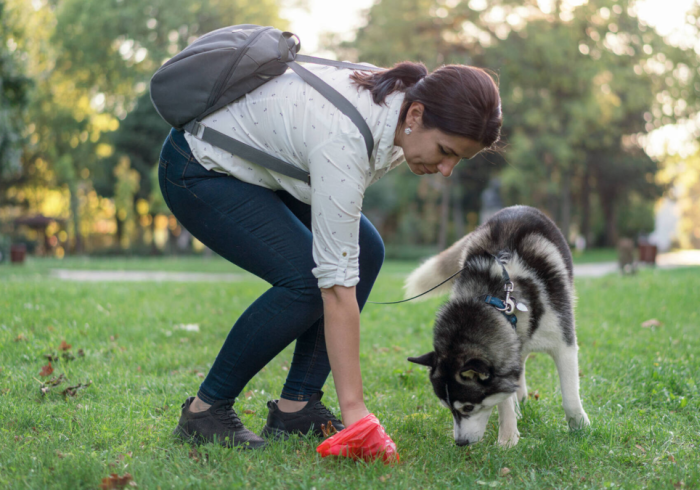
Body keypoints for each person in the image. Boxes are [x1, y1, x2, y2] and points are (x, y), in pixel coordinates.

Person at [158, 60, 502, 449]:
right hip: (199, 168)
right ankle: (204, 413)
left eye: (458, 159)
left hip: (262, 171)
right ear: (416, 115)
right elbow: (336, 288)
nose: (446, 169)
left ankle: (297, 407)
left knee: (366, 251)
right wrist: (355, 412)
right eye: (445, 151)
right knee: (306, 281)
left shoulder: (399, 111)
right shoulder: (346, 138)